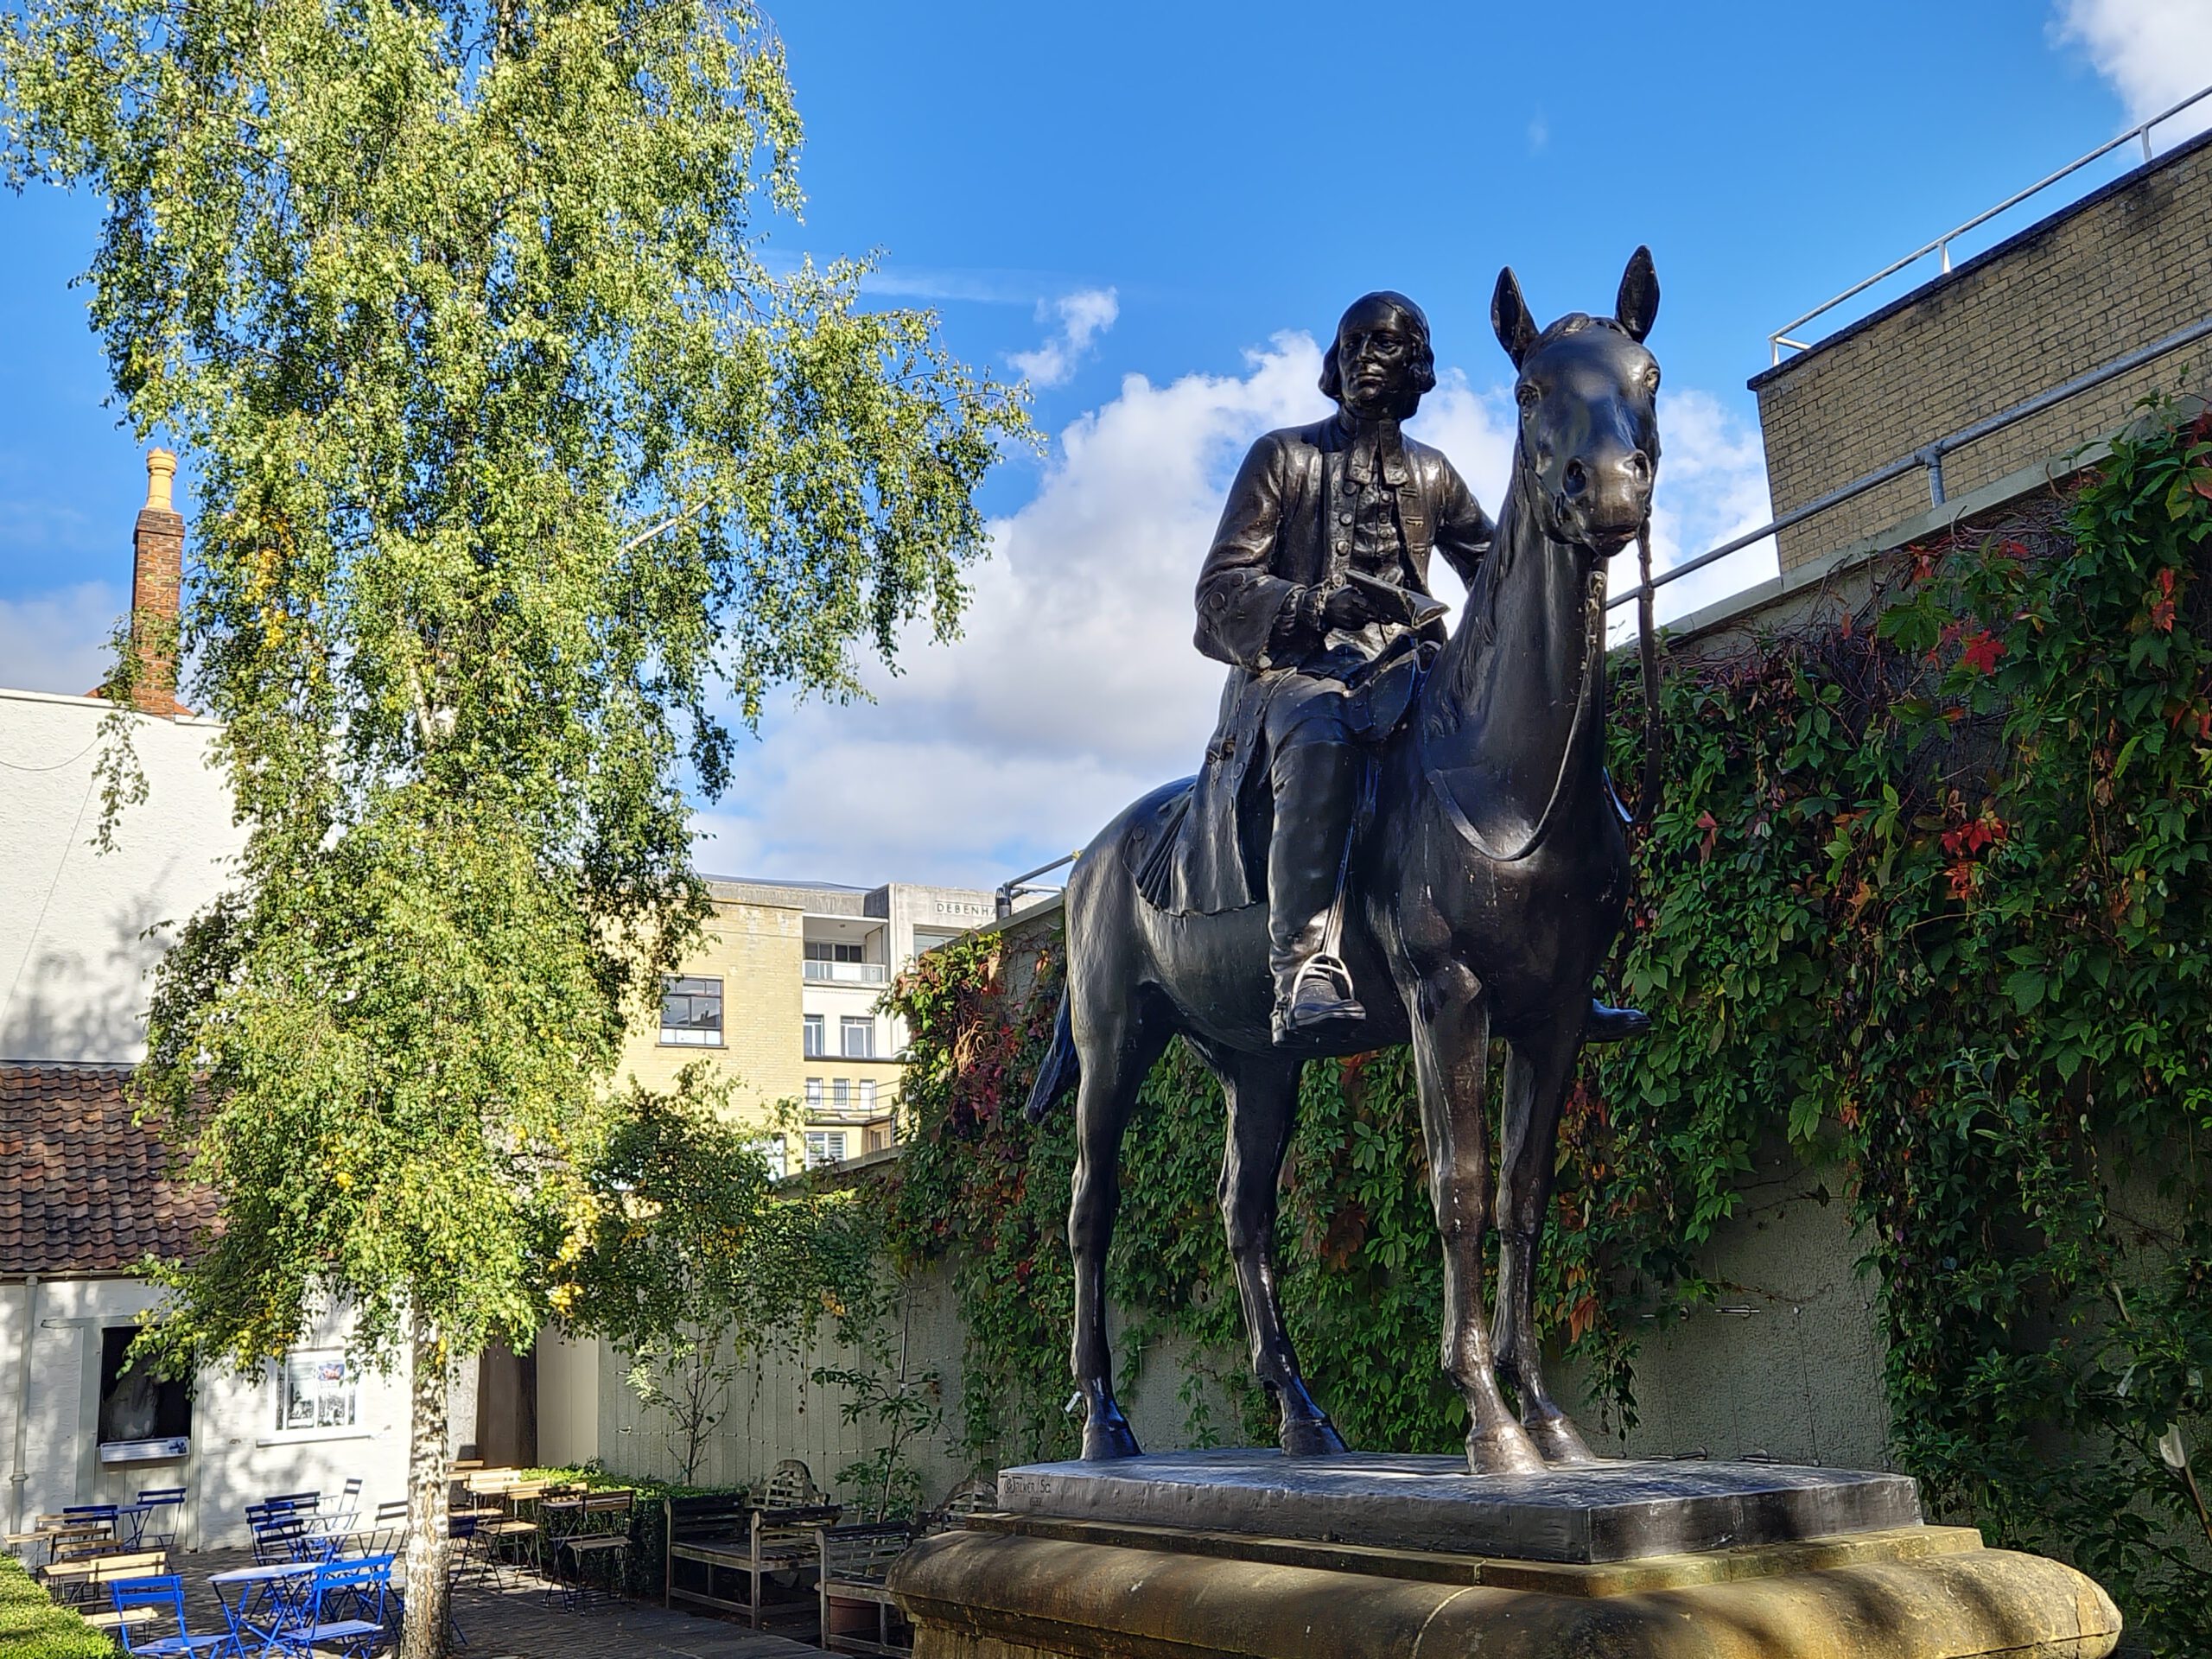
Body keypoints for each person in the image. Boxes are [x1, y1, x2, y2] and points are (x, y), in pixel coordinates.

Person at [1192, 291, 1646, 1048]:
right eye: (1359, 342)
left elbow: (1499, 570)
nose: (1373, 358)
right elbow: (1218, 591)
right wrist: (1312, 605)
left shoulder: (1434, 474)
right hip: (1297, 673)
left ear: (1421, 370)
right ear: (1334, 363)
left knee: (1531, 730)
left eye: (1394, 346)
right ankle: (1302, 962)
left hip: (1407, 668)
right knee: (1322, 736)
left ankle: (1567, 964)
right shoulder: (1285, 458)